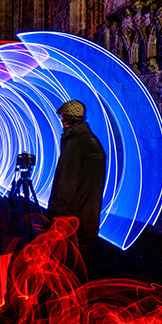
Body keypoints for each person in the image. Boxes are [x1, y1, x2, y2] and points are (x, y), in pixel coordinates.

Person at [46, 99, 106, 280]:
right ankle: (83, 301)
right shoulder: (94, 142)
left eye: (61, 117)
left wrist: (53, 217)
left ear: (65, 119)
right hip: (89, 218)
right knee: (83, 267)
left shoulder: (74, 144)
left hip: (72, 221)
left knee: (67, 272)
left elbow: (65, 185)